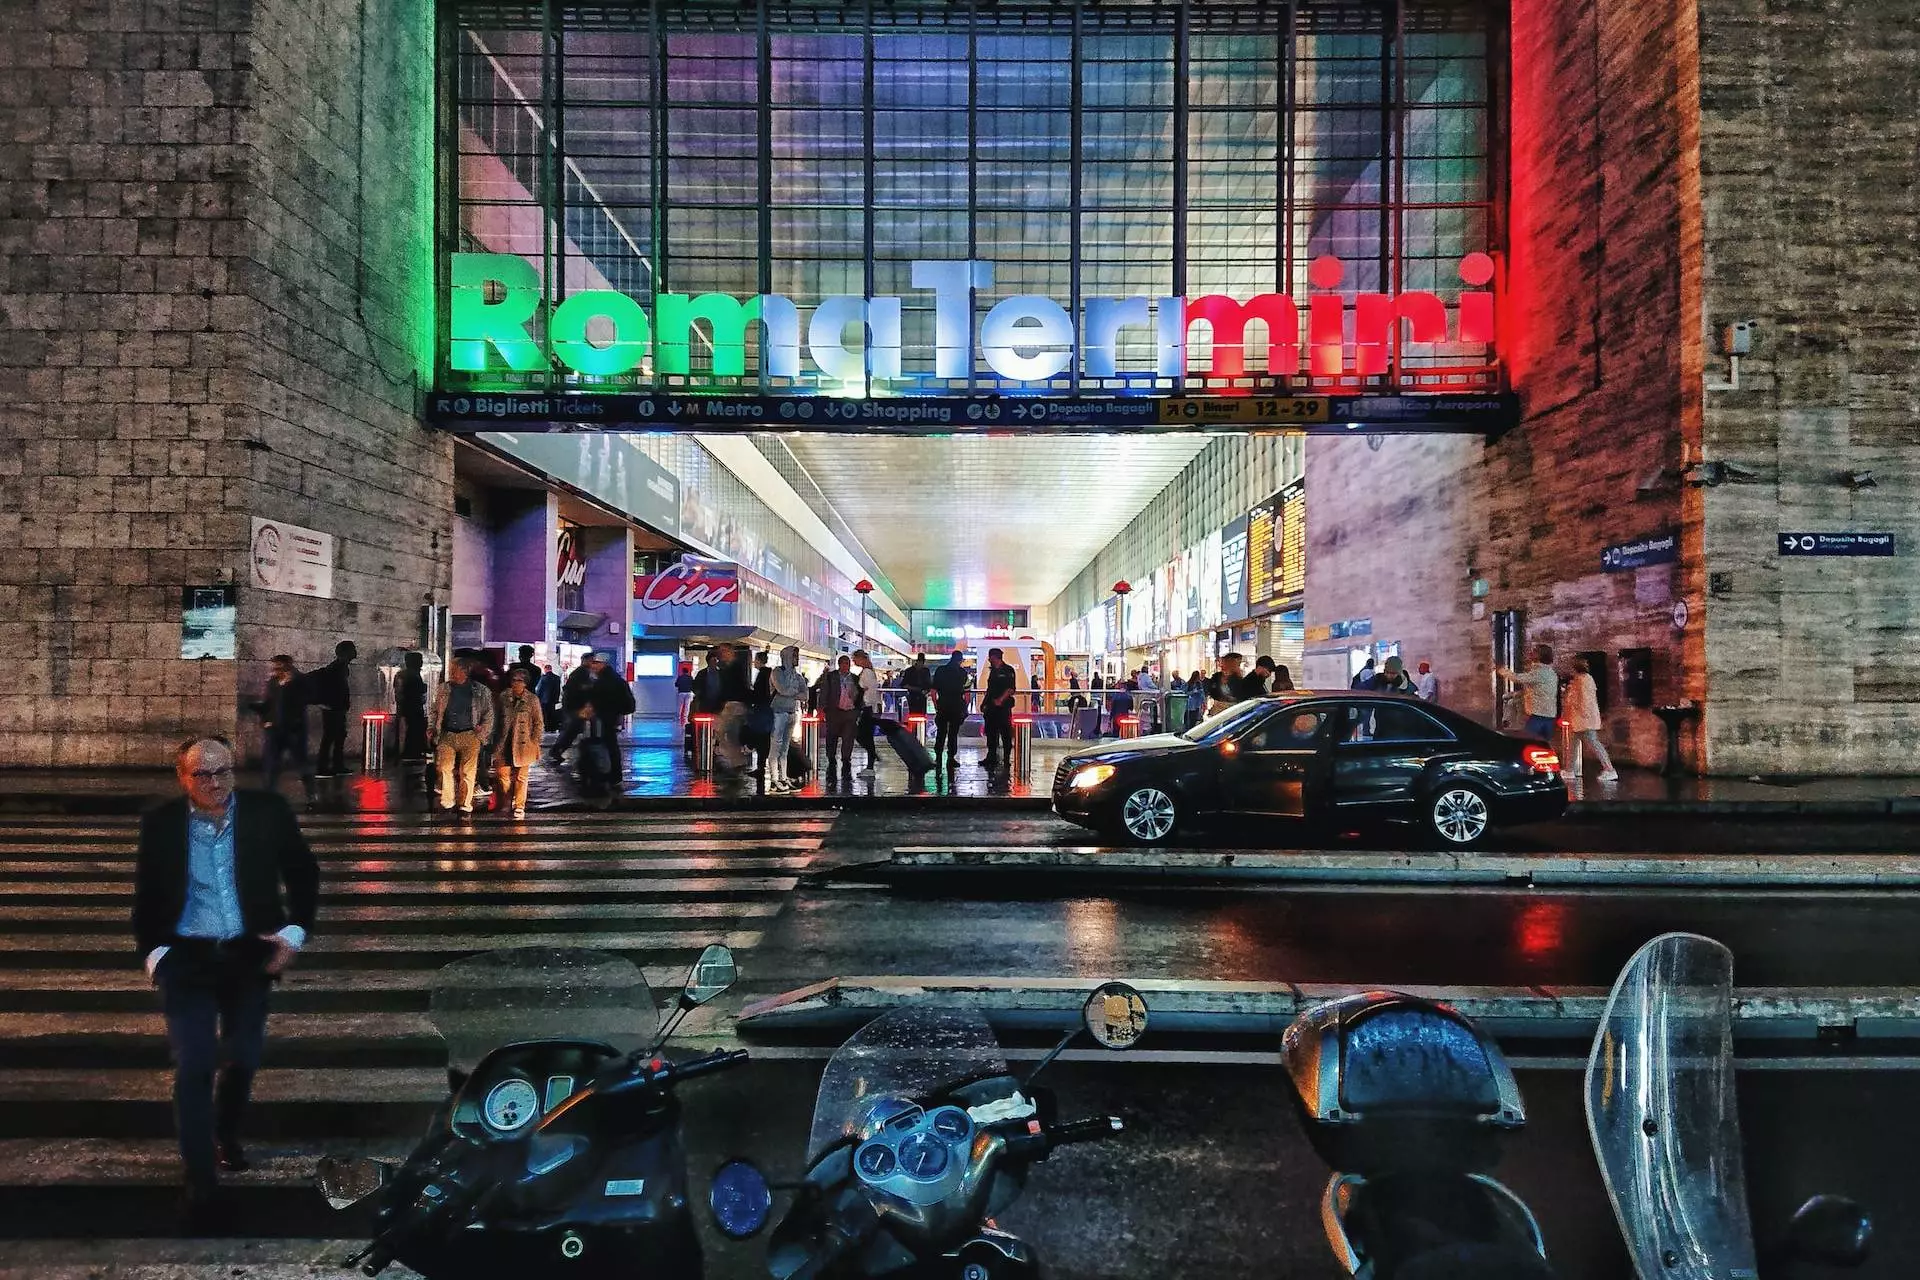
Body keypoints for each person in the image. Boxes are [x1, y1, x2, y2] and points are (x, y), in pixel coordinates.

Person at [134, 736, 318, 1227]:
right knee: (194, 1062)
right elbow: (147, 894)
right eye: (202, 774)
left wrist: (293, 934)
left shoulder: (266, 811)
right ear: (182, 777)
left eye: (223, 772)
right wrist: (156, 956)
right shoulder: (162, 823)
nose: (215, 783)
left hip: (248, 954)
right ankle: (200, 1179)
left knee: (243, 1057)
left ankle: (224, 1131)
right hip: (187, 958)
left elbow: (303, 872)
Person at [428, 657, 494, 816]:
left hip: (470, 734)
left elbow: (488, 714)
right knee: (444, 768)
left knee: (468, 772)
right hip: (447, 734)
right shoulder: (443, 689)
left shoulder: (480, 691)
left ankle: (465, 805)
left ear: (464, 671)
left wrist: (483, 730)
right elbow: (434, 710)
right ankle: (447, 802)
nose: (451, 673)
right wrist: (432, 727)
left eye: (454, 669)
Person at [254, 655, 315, 802]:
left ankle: (311, 794)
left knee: (301, 763)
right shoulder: (272, 682)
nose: (275, 670)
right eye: (274, 667)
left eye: (278, 666)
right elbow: (268, 703)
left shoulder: (300, 681)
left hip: (294, 730)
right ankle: (269, 795)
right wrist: (265, 721)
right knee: (271, 764)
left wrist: (290, 683)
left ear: (287, 666)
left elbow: (307, 699)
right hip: (275, 730)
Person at [494, 668, 544, 819]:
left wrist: (534, 741)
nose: (516, 683)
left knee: (521, 777)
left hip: (524, 744)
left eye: (520, 681)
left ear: (525, 683)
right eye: (514, 680)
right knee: (502, 774)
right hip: (505, 742)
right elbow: (496, 718)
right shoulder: (504, 697)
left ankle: (519, 805)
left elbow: (538, 722)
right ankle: (507, 800)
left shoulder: (532, 699)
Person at [584, 653, 637, 789]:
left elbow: (602, 699)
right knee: (609, 745)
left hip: (604, 717)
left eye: (596, 663)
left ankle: (608, 774)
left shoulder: (605, 680)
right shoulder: (613, 678)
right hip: (609, 717)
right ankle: (612, 775)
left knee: (606, 746)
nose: (593, 666)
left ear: (603, 664)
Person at [1565, 656, 1619, 782]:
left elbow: (1584, 700)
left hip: (1584, 720)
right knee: (1573, 744)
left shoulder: (1583, 681)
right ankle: (1569, 770)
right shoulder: (1582, 680)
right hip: (1581, 719)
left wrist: (1582, 714)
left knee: (1594, 743)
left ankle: (1610, 769)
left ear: (1575, 668)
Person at [1497, 643, 1562, 741]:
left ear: (1541, 655)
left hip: (1538, 715)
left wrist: (1501, 670)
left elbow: (1517, 678)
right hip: (1549, 714)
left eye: (1535, 651)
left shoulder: (1539, 672)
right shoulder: (1550, 672)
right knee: (1543, 744)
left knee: (1529, 741)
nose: (1531, 653)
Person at [766, 645, 808, 794]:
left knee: (784, 749)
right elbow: (782, 689)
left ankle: (783, 777)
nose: (797, 659)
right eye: (794, 656)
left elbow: (805, 695)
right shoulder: (777, 672)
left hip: (791, 712)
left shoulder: (797, 676)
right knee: (775, 747)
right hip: (778, 712)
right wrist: (795, 693)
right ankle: (774, 780)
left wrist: (792, 693)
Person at [814, 655, 861, 784]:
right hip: (834, 711)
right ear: (840, 664)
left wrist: (858, 710)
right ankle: (831, 757)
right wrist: (821, 709)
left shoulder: (855, 678)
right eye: (844, 663)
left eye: (848, 663)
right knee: (832, 735)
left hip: (850, 712)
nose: (846, 666)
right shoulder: (831, 677)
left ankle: (846, 758)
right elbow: (824, 692)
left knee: (848, 737)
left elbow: (859, 695)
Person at [311, 640, 356, 776]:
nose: (355, 652)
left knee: (339, 736)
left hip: (337, 707)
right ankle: (322, 768)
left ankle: (337, 765)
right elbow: (334, 688)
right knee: (330, 737)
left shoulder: (342, 667)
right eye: (353, 649)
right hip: (333, 708)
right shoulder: (336, 667)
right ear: (346, 652)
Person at [713, 643, 752, 772]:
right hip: (733, 704)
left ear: (731, 652)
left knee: (722, 730)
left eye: (724, 651)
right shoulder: (730, 667)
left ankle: (734, 758)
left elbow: (738, 687)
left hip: (734, 705)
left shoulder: (734, 668)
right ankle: (737, 760)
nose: (722, 654)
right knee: (731, 734)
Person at [931, 650, 972, 769]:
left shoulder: (940, 670)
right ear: (960, 660)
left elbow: (933, 691)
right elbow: (967, 693)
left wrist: (936, 705)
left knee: (941, 732)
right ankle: (951, 758)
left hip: (943, 705)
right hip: (956, 706)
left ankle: (938, 756)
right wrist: (965, 707)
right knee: (953, 733)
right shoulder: (962, 673)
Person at [981, 647, 1016, 770]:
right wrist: (984, 704)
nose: (989, 660)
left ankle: (1006, 759)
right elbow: (990, 690)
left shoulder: (1008, 670)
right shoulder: (993, 671)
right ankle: (991, 757)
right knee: (991, 733)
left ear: (994, 657)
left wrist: (1000, 700)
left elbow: (1011, 689)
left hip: (1003, 708)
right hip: (991, 708)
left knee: (1005, 733)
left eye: (990, 657)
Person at [851, 649, 882, 776]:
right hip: (868, 707)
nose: (854, 661)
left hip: (868, 708)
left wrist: (866, 704)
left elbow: (870, 692)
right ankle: (871, 759)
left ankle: (871, 763)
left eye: (855, 659)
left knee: (864, 735)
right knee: (865, 736)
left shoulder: (867, 673)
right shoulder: (867, 672)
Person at [397, 652, 430, 760]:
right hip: (412, 706)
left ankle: (414, 750)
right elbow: (412, 691)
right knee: (414, 729)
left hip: (411, 706)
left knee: (415, 728)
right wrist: (422, 688)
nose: (421, 663)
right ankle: (412, 752)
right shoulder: (411, 675)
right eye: (419, 660)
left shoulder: (407, 674)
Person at [902, 654, 933, 718]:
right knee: (914, 714)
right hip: (913, 696)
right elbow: (904, 684)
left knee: (920, 714)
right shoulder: (910, 671)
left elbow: (929, 684)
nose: (921, 664)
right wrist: (917, 689)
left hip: (921, 696)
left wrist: (926, 690)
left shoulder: (925, 671)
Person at [535, 663, 562, 732]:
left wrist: (537, 697)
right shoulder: (557, 678)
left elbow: (539, 689)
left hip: (543, 700)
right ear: (551, 669)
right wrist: (556, 699)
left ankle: (547, 727)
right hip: (553, 700)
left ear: (545, 669)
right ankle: (552, 727)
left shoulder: (543, 678)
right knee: (552, 713)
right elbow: (558, 689)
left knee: (545, 714)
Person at [673, 661, 696, 739]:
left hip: (681, 692)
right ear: (688, 671)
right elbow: (693, 685)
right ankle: (685, 718)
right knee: (687, 706)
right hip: (688, 693)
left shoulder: (680, 677)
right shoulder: (690, 677)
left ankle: (678, 717)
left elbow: (676, 684)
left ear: (683, 671)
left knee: (680, 705)